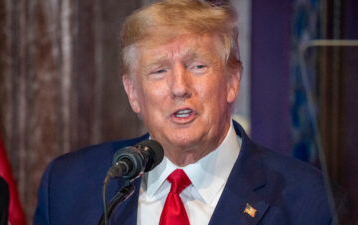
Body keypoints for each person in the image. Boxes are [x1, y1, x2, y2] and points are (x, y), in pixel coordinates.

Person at [34, 0, 336, 224]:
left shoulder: (309, 202)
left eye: (197, 66)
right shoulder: (69, 185)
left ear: (232, 82)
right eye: (159, 70)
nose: (179, 87)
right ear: (133, 93)